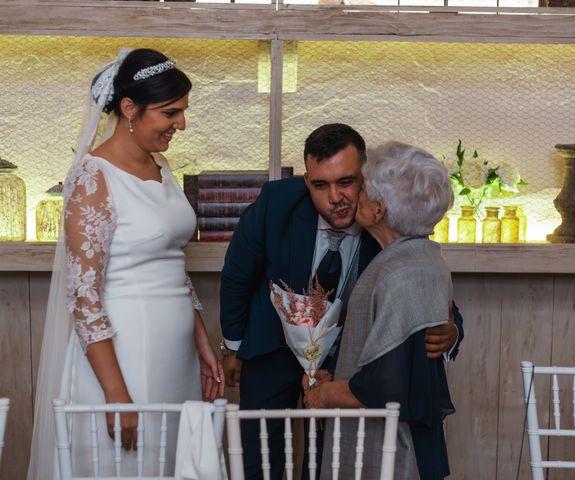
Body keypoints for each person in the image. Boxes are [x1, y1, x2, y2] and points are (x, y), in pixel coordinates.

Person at [220, 124, 463, 479]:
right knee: (258, 457)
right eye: (321, 185)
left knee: (328, 460)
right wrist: (232, 346)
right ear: (307, 181)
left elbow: (421, 279)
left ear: (365, 176)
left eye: (347, 182)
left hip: (346, 364)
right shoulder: (277, 202)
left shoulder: (387, 211)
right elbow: (238, 273)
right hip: (272, 347)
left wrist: (451, 329)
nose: (336, 197)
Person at [28, 48, 224, 479]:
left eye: (183, 112)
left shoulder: (162, 166)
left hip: (178, 356)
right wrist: (116, 394)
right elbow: (84, 295)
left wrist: (202, 341)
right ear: (129, 109)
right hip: (126, 357)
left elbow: (172, 265)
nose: (182, 125)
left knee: (175, 463)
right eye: (170, 113)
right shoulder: (93, 176)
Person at [303, 141, 456, 480]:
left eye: (364, 190)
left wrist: (325, 394)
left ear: (378, 211)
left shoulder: (399, 271)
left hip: (395, 451)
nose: (354, 196)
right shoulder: (423, 256)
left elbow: (385, 386)